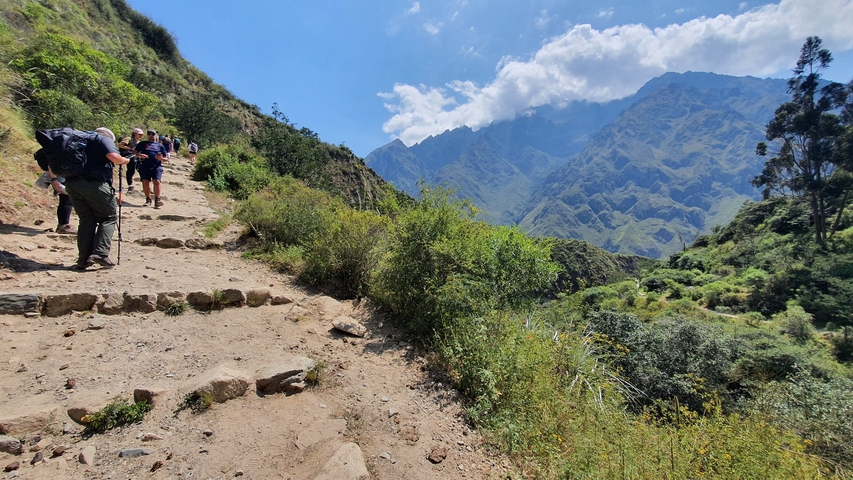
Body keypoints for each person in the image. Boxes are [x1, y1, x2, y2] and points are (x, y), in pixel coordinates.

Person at [52, 127, 130, 270]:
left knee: (86, 219)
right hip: (94, 183)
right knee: (108, 218)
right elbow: (114, 157)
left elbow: (50, 163)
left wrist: (54, 179)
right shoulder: (102, 139)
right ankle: (100, 253)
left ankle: (83, 260)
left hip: (72, 184)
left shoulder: (75, 141)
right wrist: (124, 161)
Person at [135, 129, 169, 208]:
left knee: (157, 181)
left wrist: (161, 158)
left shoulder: (160, 146)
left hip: (156, 166)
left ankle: (157, 200)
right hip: (144, 165)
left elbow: (166, 158)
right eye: (149, 134)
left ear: (156, 136)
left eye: (152, 134)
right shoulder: (142, 144)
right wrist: (140, 155)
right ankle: (148, 199)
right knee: (145, 182)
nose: (151, 136)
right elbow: (134, 152)